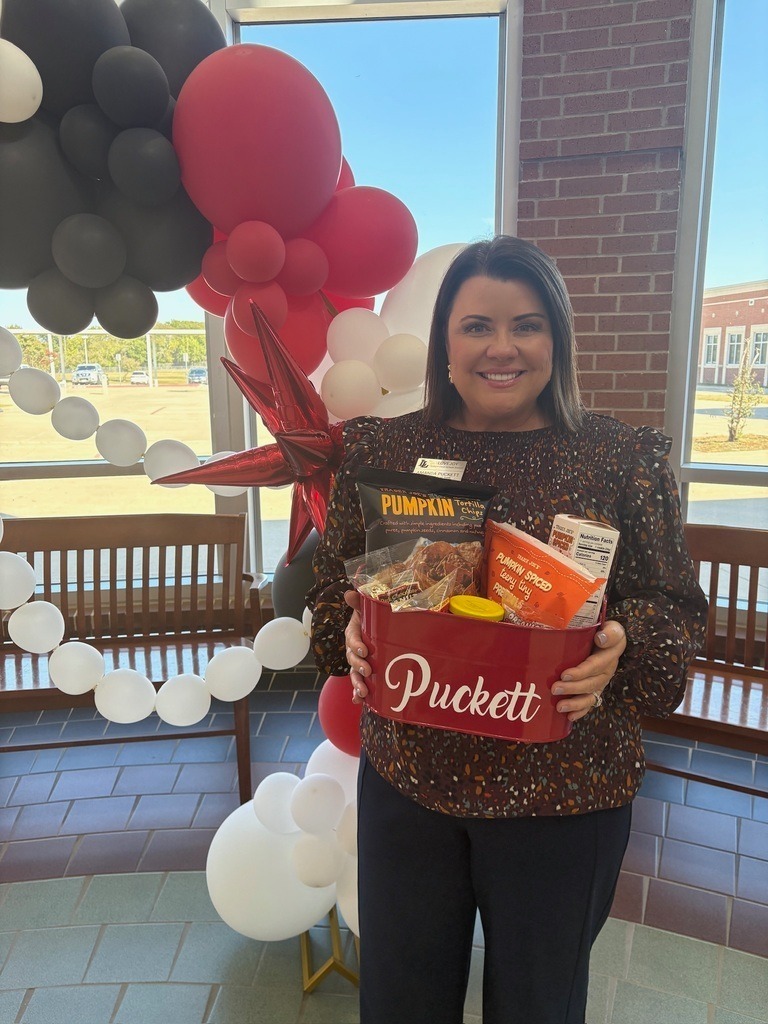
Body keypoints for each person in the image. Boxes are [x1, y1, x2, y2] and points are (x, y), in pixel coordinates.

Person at [307, 235, 707, 1024]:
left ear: (556, 338)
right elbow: (329, 602)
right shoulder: (386, 449)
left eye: (527, 325)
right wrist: (350, 634)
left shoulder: (618, 458)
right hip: (410, 788)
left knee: (538, 1007)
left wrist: (623, 644)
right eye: (476, 326)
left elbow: (673, 608)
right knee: (402, 1005)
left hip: (565, 796)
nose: (502, 347)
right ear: (444, 343)